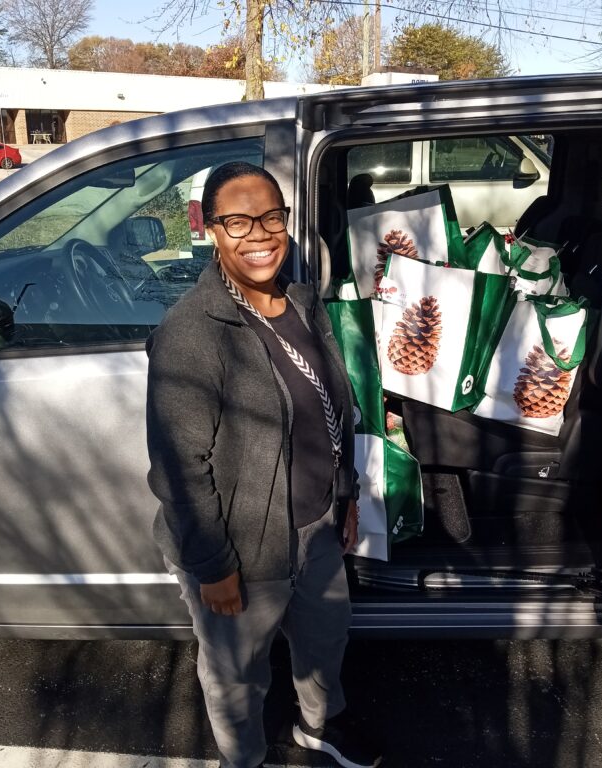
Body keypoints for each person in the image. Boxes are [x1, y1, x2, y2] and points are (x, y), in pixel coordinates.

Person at [146, 161, 382, 768]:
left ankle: (319, 725)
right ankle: (243, 759)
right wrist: (212, 565)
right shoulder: (194, 333)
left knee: (326, 640)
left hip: (317, 525)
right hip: (241, 547)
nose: (259, 234)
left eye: (271, 217)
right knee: (236, 675)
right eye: (238, 221)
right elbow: (180, 464)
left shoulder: (302, 305)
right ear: (211, 229)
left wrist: (346, 494)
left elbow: (335, 408)